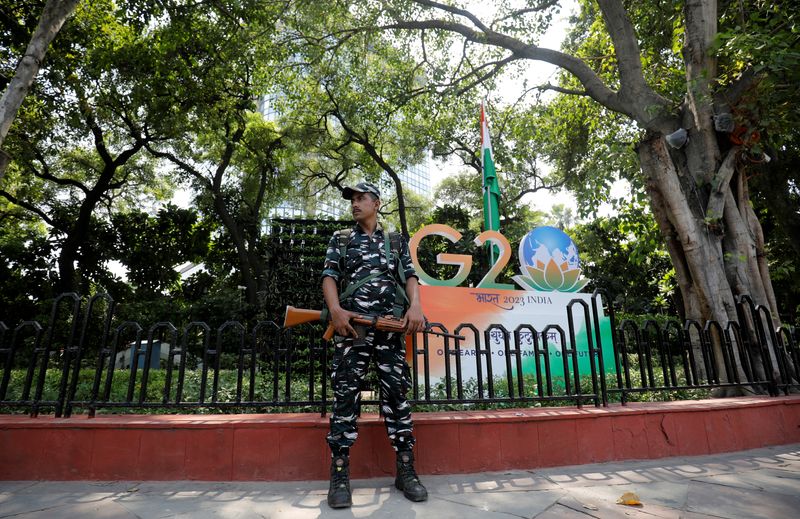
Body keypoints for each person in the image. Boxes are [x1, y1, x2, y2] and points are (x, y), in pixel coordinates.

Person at [321, 181, 428, 509]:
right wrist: (336, 311)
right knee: (345, 397)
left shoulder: (395, 239)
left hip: (390, 330)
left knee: (397, 395)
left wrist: (415, 307)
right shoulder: (341, 239)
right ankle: (339, 474)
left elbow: (410, 276)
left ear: (376, 203)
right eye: (352, 199)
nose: (354, 203)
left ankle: (406, 469)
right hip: (352, 329)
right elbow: (329, 277)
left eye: (360, 198)